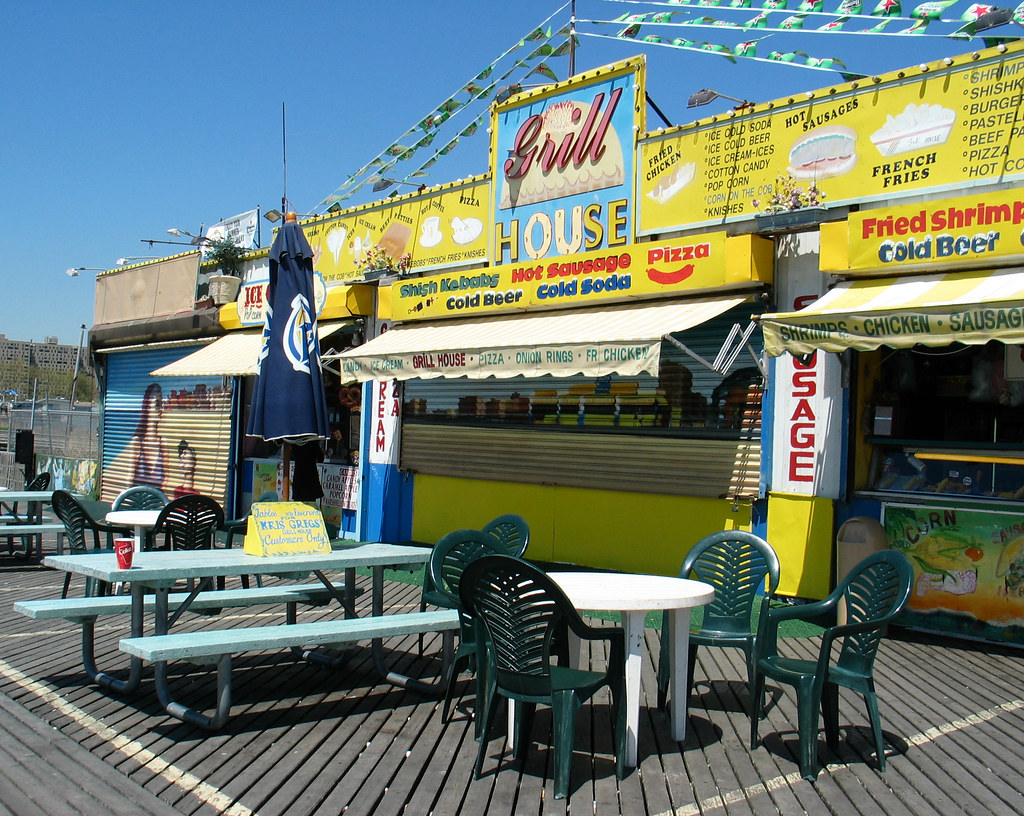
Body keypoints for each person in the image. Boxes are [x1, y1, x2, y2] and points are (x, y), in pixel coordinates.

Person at [131, 382, 166, 489]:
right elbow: (128, 479)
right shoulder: (137, 442)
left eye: (162, 404)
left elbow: (166, 483)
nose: (160, 409)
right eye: (157, 404)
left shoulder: (163, 443)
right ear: (147, 407)